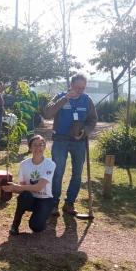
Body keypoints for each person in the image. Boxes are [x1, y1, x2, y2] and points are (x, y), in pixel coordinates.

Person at [44, 73, 97, 216]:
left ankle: (69, 204)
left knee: (77, 174)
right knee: (58, 172)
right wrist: (65, 99)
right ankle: (53, 204)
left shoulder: (87, 100)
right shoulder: (60, 97)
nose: (80, 90)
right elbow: (48, 113)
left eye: (83, 88)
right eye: (77, 87)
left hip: (79, 142)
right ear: (71, 85)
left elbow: (92, 120)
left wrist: (85, 131)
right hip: (60, 140)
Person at [2, 135, 56, 235]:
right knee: (24, 195)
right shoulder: (24, 164)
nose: (38, 148)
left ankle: (44, 215)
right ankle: (15, 225)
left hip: (45, 199)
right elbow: (22, 189)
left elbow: (38, 187)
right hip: (30, 197)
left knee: (36, 227)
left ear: (44, 147)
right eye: (35, 145)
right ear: (30, 148)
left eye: (41, 145)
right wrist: (11, 189)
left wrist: (16, 187)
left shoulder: (50, 164)